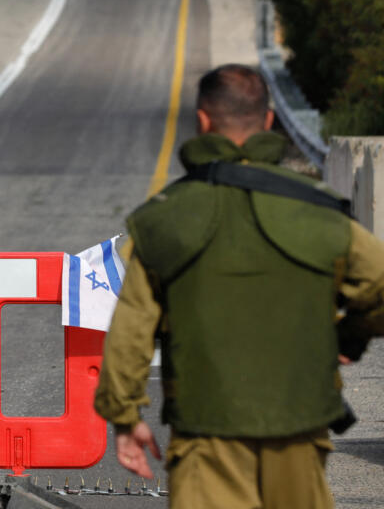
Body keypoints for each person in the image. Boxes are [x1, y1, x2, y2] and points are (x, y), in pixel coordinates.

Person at [94, 64, 384, 509]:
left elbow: (131, 329)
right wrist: (351, 336)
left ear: (203, 121)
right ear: (269, 122)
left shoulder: (164, 220)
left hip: (206, 430)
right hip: (300, 425)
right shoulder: (320, 212)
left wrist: (125, 415)